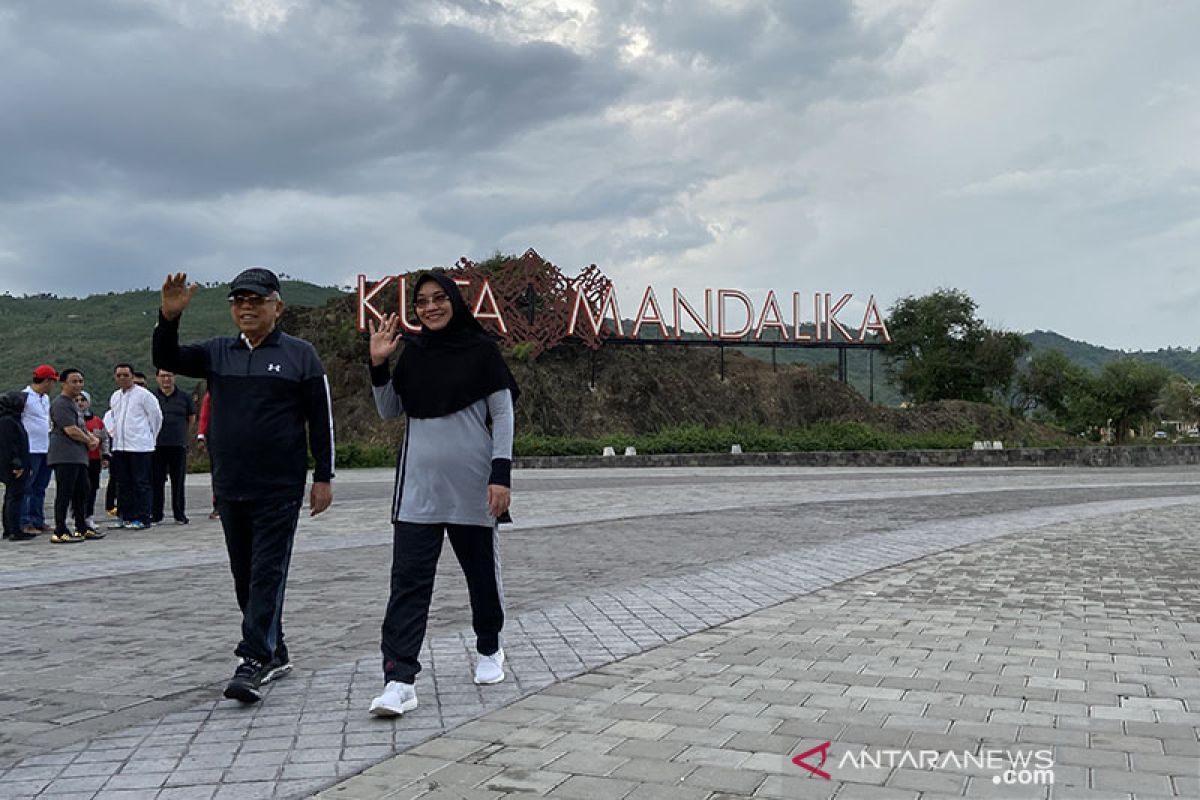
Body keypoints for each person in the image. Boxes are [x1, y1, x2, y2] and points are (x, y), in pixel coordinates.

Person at [154, 267, 334, 704]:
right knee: (244, 574)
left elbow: (320, 420)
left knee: (267, 573)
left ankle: (252, 659)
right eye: (238, 300)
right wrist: (169, 317)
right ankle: (276, 649)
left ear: (278, 306)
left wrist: (324, 475)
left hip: (280, 486)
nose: (247, 307)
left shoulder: (300, 354)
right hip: (231, 484)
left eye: (256, 299)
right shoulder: (218, 352)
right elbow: (169, 357)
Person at [365, 272, 518, 718]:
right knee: (408, 583)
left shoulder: (482, 351)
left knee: (480, 577)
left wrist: (501, 475)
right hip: (417, 491)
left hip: (473, 488)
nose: (430, 307)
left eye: (439, 299)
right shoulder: (413, 354)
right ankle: (399, 680)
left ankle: (489, 647)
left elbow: (503, 416)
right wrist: (379, 365)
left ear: (454, 301)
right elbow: (389, 409)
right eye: (422, 302)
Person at [47, 369, 104, 543]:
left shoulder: (74, 404)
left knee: (82, 490)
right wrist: (89, 440)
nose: (78, 384)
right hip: (65, 454)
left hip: (79, 455)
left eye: (80, 381)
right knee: (65, 492)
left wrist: (92, 438)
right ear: (63, 383)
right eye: (74, 381)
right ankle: (60, 529)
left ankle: (81, 526)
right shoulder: (60, 403)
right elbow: (70, 430)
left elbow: (81, 427)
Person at [107, 364, 163, 531]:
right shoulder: (115, 396)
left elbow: (156, 417)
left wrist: (150, 437)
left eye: (125, 375)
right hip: (120, 446)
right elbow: (113, 417)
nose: (122, 378)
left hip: (140, 446)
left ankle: (143, 517)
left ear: (132, 376)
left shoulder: (145, 396)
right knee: (123, 483)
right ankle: (126, 515)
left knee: (141, 483)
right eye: (119, 375)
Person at [152, 369, 196, 525]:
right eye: (163, 376)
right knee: (156, 481)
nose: (166, 379)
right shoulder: (152, 397)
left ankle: (179, 514)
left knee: (178, 481)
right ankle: (156, 514)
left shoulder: (184, 397)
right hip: (156, 445)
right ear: (157, 378)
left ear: (174, 377)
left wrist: (184, 435)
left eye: (169, 376)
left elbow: (191, 418)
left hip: (178, 444)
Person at [20, 364, 58, 536]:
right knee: (27, 486)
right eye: (52, 382)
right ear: (47, 381)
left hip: (45, 448)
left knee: (40, 487)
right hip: (30, 448)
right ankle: (24, 520)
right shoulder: (25, 398)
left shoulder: (45, 399)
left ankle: (38, 519)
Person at [0, 392, 35, 541]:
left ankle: (10, 528)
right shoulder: (8, 421)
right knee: (15, 496)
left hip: (16, 463)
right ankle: (14, 529)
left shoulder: (12, 419)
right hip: (14, 466)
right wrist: (17, 464)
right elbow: (9, 445)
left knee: (12, 495)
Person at [77, 391, 110, 532]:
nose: (80, 402)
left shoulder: (97, 421)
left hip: (94, 459)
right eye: (77, 399)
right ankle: (78, 516)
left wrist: (106, 455)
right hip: (78, 460)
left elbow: (105, 439)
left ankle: (89, 515)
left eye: (83, 399)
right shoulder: (71, 419)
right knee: (79, 490)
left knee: (92, 488)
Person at [197, 391, 219, 520]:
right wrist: (201, 435)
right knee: (217, 473)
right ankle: (218, 505)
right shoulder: (211, 395)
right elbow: (204, 415)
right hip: (216, 438)